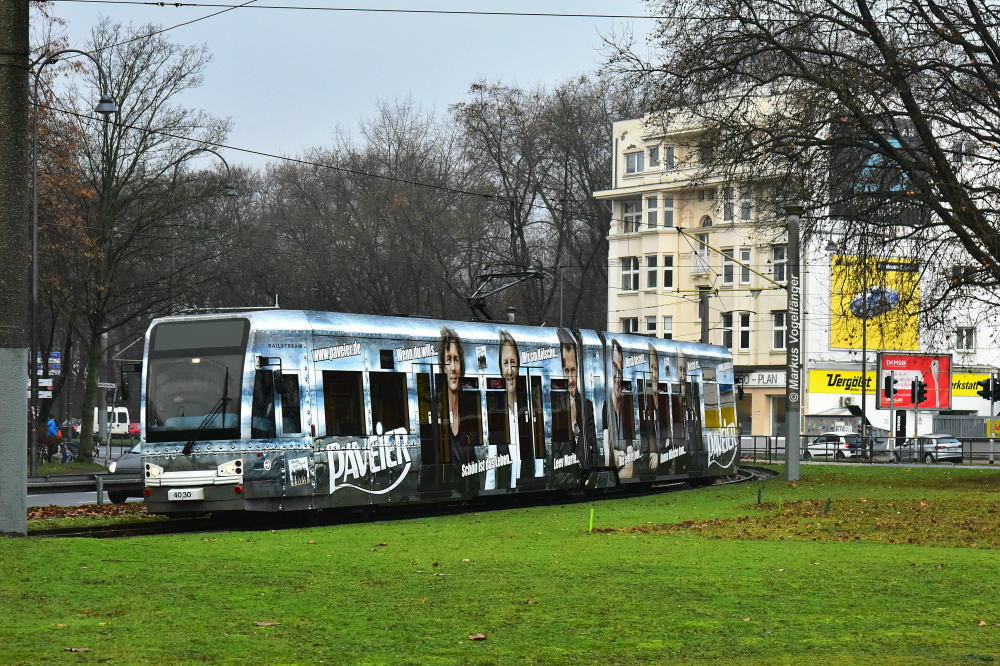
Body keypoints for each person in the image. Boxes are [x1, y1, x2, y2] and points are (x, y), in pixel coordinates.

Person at [438, 327, 479, 493]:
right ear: (442, 367)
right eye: (448, 360)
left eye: (456, 360)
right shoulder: (435, 408)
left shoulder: (471, 410)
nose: (453, 368)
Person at [557, 328, 596, 471]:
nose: (570, 379)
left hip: (583, 469)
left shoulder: (587, 405)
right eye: (566, 371)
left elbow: (592, 440)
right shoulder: (555, 406)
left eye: (573, 371)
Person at [498, 330, 525, 488]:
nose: (509, 371)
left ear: (519, 367)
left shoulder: (526, 409)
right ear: (500, 369)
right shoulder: (496, 413)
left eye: (513, 363)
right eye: (505, 363)